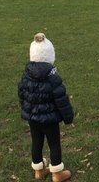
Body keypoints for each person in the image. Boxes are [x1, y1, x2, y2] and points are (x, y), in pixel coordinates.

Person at [18, 33, 73, 182]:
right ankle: (56, 173)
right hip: (50, 120)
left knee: (36, 142)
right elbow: (62, 99)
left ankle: (39, 170)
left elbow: (21, 95)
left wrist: (26, 109)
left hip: (33, 119)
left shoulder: (25, 77)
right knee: (54, 144)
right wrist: (68, 117)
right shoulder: (53, 78)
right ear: (50, 56)